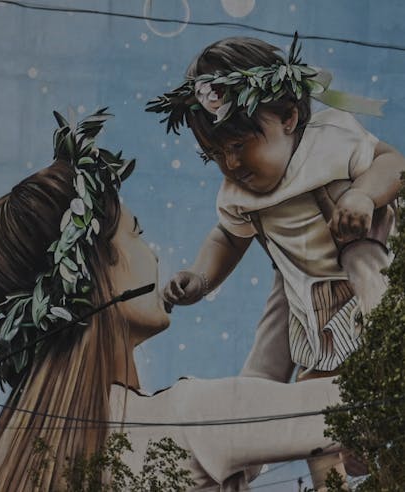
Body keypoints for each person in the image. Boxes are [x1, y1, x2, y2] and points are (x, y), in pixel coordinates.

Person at [0, 110, 347, 491]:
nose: (152, 255)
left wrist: (293, 269)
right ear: (97, 270)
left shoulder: (10, 456)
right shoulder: (185, 420)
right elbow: (353, 404)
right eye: (135, 233)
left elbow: (253, 398)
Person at [148, 36, 405, 488]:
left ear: (288, 118)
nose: (231, 163)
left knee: (377, 350)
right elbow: (227, 237)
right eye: (216, 154)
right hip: (313, 296)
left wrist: (364, 194)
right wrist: (202, 277)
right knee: (312, 407)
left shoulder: (330, 141)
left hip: (371, 271)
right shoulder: (239, 193)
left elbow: (391, 162)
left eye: (240, 144)